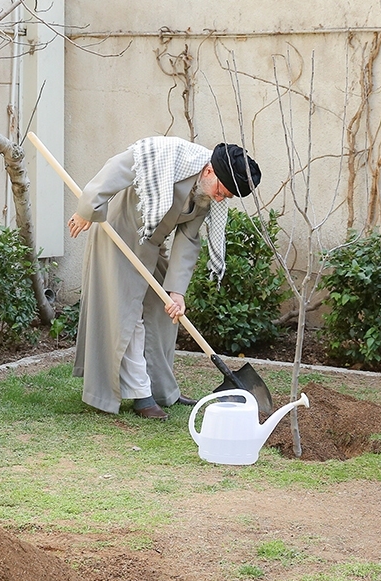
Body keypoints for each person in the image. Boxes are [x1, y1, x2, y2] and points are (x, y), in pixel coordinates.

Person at [67, 137, 261, 420]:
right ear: (209, 171)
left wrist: (176, 292)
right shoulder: (165, 154)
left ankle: (161, 389)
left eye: (226, 197)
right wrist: (87, 210)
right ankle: (142, 396)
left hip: (149, 246)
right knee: (128, 317)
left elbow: (188, 239)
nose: (220, 199)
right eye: (221, 191)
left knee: (162, 313)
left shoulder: (205, 194)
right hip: (118, 237)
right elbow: (116, 168)